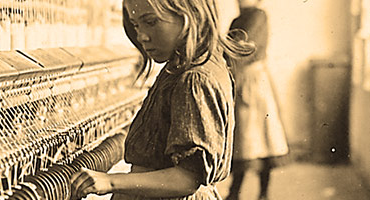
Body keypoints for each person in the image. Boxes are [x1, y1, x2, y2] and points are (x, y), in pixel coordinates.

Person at [74, 0, 253, 199]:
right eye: (135, 25)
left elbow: (187, 179)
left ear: (190, 14)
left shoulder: (194, 79)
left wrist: (110, 181)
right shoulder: (187, 67)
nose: (142, 36)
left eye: (150, 22)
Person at [221, 1, 291, 199]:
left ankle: (263, 192)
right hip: (239, 78)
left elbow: (243, 46)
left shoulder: (258, 15)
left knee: (264, 136)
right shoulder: (236, 20)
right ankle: (235, 192)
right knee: (243, 138)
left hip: (254, 81)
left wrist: (225, 49)